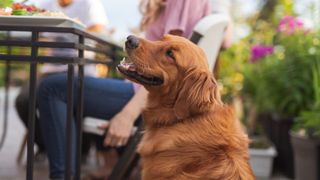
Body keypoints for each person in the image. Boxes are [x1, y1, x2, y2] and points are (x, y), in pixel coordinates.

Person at [37, 0, 212, 179]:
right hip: (141, 90)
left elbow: (168, 69)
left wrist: (127, 115)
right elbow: (226, 40)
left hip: (144, 97)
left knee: (53, 88)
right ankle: (108, 161)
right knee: (76, 86)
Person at [14, 0, 107, 165]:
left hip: (80, 68)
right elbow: (40, 34)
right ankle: (46, 145)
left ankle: (79, 151)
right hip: (50, 68)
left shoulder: (89, 3)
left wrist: (69, 31)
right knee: (23, 100)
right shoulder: (47, 5)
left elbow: (98, 29)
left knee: (73, 100)